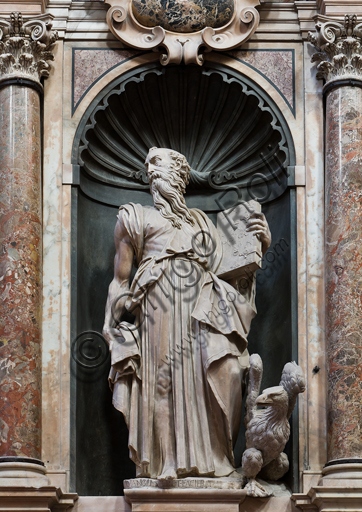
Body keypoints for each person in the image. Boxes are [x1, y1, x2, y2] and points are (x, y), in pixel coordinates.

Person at [103, 147, 271, 484]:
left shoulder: (201, 222)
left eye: (157, 162)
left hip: (204, 308)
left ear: (180, 174)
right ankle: (165, 463)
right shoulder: (134, 217)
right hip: (158, 307)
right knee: (162, 380)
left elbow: (233, 272)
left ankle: (213, 459)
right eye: (147, 163)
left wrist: (259, 244)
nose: (150, 168)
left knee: (218, 373)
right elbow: (119, 280)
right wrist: (116, 315)